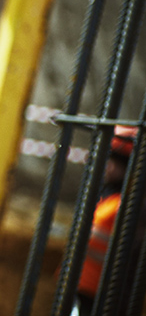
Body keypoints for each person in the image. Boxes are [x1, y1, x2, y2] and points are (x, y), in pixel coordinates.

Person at [76, 124, 140, 314]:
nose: (106, 167)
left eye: (113, 161)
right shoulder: (108, 199)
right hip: (82, 286)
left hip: (102, 295)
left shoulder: (127, 206)